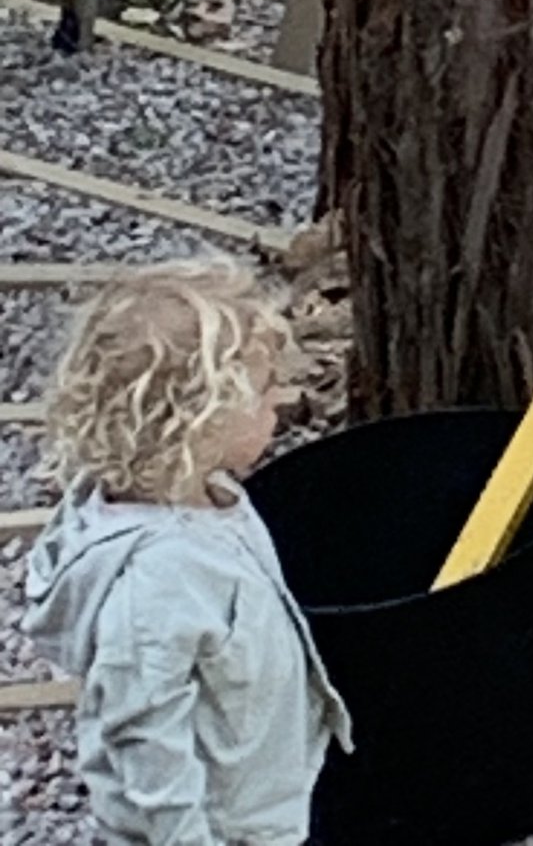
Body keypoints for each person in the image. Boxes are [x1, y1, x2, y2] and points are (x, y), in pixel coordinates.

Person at [24, 261, 350, 845]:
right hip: (219, 828)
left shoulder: (212, 497)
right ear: (198, 418)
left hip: (253, 791)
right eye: (264, 389)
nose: (284, 398)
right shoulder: (158, 579)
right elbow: (148, 740)